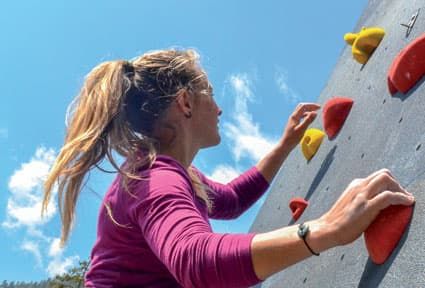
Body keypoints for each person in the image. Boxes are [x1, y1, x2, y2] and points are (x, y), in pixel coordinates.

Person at [42, 49, 415, 287]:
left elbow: (234, 198)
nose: (219, 110)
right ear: (186, 102)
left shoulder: (171, 174)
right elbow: (196, 261)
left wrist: (285, 144)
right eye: (211, 96)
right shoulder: (153, 180)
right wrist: (325, 229)